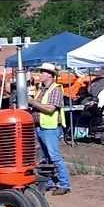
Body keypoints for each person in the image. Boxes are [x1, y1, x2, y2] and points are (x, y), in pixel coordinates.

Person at [28, 62, 71, 196]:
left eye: (43, 72)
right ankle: (50, 182)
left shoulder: (55, 90)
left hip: (50, 128)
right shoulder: (42, 90)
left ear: (50, 75)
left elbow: (50, 109)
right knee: (46, 158)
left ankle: (64, 184)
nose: (40, 74)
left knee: (54, 157)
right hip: (41, 127)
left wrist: (31, 102)